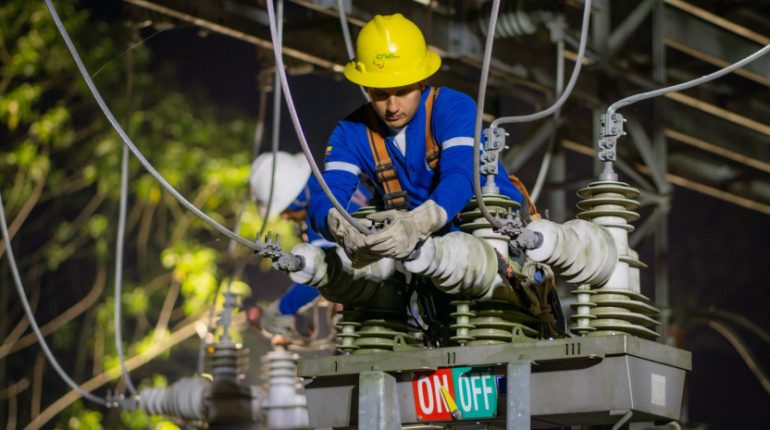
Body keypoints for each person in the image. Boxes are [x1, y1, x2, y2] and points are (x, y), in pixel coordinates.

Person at [308, 13, 523, 262]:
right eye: (379, 93)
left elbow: (462, 174)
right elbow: (327, 194)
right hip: (427, 257)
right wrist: (338, 226)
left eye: (402, 91)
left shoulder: (453, 108)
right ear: (366, 86)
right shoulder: (350, 133)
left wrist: (418, 224)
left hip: (497, 237)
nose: (392, 106)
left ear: (422, 81)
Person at [247, 151, 369, 339]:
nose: (284, 217)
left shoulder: (321, 212)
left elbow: (323, 271)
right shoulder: (339, 185)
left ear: (296, 198)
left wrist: (281, 310)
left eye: (284, 209)